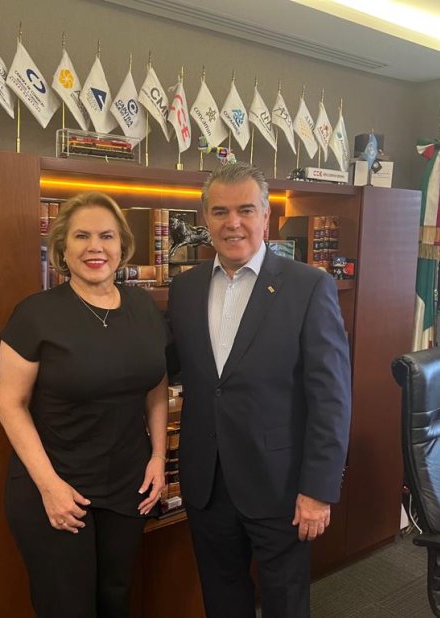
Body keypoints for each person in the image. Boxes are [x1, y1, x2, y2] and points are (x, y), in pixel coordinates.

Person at [167, 162, 352, 618]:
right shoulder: (185, 288)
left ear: (266, 217)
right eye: (220, 212)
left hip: (281, 487)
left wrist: (318, 489)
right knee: (221, 598)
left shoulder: (309, 286)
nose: (233, 223)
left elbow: (331, 398)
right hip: (207, 483)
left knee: (285, 602)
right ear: (205, 219)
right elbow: (177, 370)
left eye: (246, 210)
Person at [0, 192, 168, 617]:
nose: (96, 247)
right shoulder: (35, 314)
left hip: (128, 484)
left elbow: (156, 383)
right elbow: (10, 403)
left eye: (106, 236)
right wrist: (49, 486)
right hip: (57, 483)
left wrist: (158, 457)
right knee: (67, 607)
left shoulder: (144, 307)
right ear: (62, 247)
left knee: (115, 597)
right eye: (82, 236)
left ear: (122, 244)